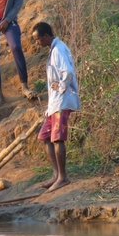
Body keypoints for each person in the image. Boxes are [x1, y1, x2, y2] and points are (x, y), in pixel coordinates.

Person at [31, 22, 81, 192]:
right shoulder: (54, 50)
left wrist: (60, 87)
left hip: (62, 101)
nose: (37, 43)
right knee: (45, 137)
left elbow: (68, 72)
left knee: (57, 139)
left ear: (46, 36)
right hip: (54, 104)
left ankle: (63, 177)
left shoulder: (59, 49)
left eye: (38, 39)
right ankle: (56, 174)